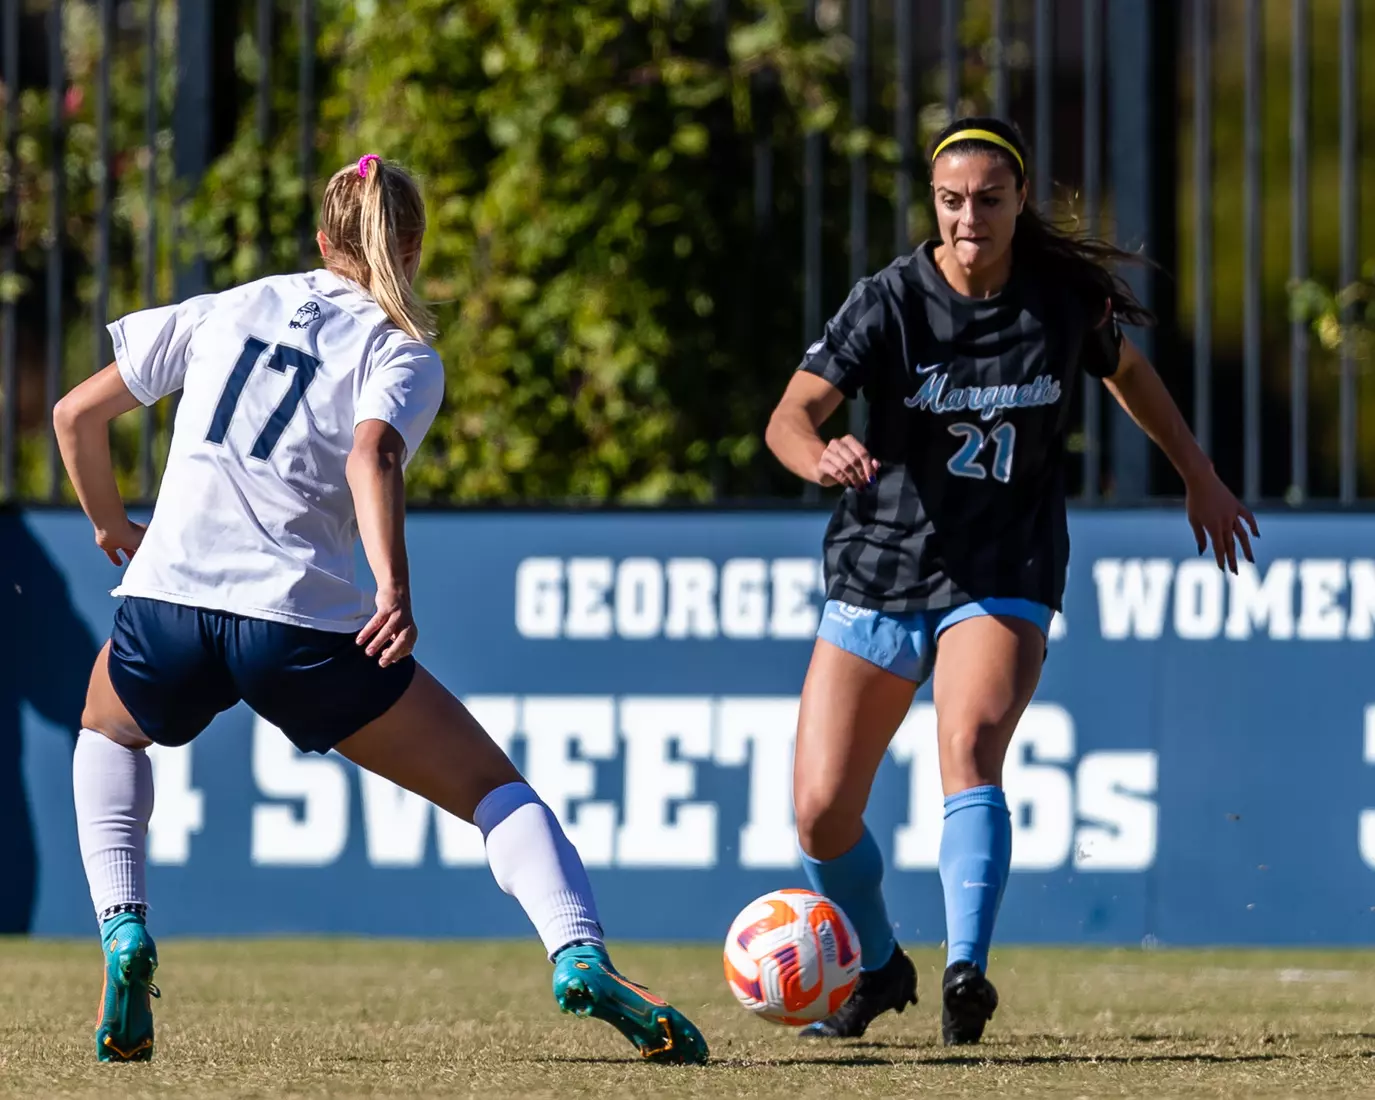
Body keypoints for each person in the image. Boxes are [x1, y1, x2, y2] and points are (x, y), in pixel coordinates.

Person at [53, 154, 707, 1066]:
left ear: (323, 241)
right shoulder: (400, 351)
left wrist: (112, 524)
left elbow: (75, 415)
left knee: (107, 732)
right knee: (492, 790)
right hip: (295, 625)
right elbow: (373, 458)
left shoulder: (227, 306)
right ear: (413, 245)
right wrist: (393, 588)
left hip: (166, 603)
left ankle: (123, 930)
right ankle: (581, 955)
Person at [765, 117, 1257, 1045]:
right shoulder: (888, 304)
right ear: (933, 204)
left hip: (1004, 566)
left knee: (972, 743)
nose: (966, 218)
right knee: (821, 814)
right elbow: (790, 414)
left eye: (987, 200)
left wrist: (1199, 473)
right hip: (878, 568)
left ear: (1019, 200)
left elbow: (1129, 374)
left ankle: (965, 974)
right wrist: (817, 452)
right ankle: (879, 966)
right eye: (950, 201)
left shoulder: (1060, 299)